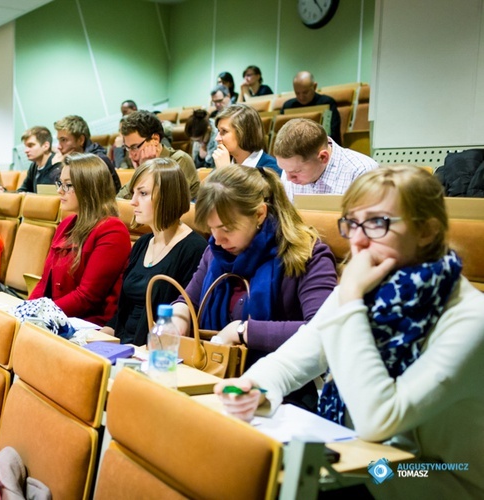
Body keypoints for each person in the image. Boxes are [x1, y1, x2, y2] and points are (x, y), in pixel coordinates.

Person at [214, 166, 484, 498]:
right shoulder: (367, 289)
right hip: (369, 469)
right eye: (352, 223)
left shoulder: (472, 319)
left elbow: (377, 419)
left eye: (377, 223)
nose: (356, 239)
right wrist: (254, 388)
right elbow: (294, 359)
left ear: (426, 231)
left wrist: (352, 299)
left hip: (436, 481)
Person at [171, 166, 337, 408]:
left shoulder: (308, 255)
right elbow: (189, 299)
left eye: (226, 229)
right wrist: (176, 320)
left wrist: (244, 331)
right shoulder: (216, 251)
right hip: (212, 378)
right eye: (212, 229)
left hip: (278, 395)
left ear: (260, 214)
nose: (217, 240)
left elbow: (321, 331)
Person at [102, 158, 206, 345]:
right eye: (133, 193)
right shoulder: (143, 243)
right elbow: (123, 311)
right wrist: (103, 334)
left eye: (142, 193)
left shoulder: (194, 250)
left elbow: (179, 321)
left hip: (154, 350)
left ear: (167, 196)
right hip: (121, 344)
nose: (132, 202)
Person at [30, 153, 131, 326]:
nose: (60, 190)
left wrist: (41, 314)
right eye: (60, 183)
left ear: (89, 188)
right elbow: (44, 282)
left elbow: (87, 297)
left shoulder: (112, 230)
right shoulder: (67, 223)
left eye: (68, 185)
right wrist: (26, 310)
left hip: (87, 326)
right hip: (58, 317)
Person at [274, 118, 379, 201]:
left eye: (296, 171)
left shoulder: (362, 171)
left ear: (323, 157)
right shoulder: (291, 167)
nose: (288, 178)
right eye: (285, 170)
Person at [118, 110, 199, 200]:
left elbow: (163, 204)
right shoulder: (140, 162)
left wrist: (146, 172)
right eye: (127, 148)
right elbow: (120, 199)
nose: (131, 155)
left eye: (135, 147)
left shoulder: (180, 160)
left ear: (155, 139)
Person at [53, 115, 122, 193]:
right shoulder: (71, 162)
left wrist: (57, 167)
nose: (59, 147)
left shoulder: (97, 161)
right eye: (59, 141)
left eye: (64, 140)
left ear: (81, 140)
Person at [211, 104, 282, 176]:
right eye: (218, 131)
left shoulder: (271, 170)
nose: (217, 138)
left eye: (224, 131)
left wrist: (225, 171)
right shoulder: (222, 162)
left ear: (244, 133)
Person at [282, 71, 342, 145]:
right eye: (297, 93)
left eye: (305, 92)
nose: (301, 97)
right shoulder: (288, 107)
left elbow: (333, 133)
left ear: (315, 86)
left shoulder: (327, 103)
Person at [17, 126, 59, 193]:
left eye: (31, 145)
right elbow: (23, 190)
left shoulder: (58, 166)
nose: (26, 150)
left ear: (46, 146)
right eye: (26, 146)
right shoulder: (33, 166)